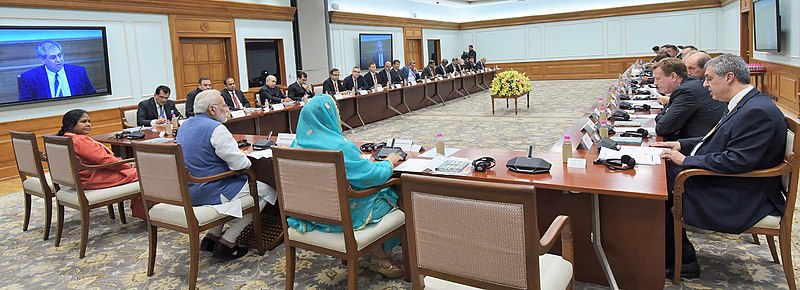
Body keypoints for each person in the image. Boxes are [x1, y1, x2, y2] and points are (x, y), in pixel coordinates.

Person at [653, 54, 787, 279]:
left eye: (709, 79)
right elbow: (714, 139)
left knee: (659, 183)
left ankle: (681, 260)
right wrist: (679, 144)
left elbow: (737, 160)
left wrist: (686, 161)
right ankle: (672, 252)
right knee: (662, 171)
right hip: (735, 182)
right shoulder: (744, 102)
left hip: (742, 195)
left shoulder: (756, 112)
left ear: (729, 78)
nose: (704, 85)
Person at [288, 94, 405, 278]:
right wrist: (389, 162)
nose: (339, 117)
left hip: (309, 215)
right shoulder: (339, 147)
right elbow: (372, 176)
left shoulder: (293, 146)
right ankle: (381, 257)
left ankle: (374, 252)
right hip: (342, 216)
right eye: (336, 112)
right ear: (328, 117)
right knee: (391, 194)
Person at [177, 90, 277, 259]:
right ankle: (228, 240)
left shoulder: (184, 125)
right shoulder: (216, 129)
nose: (227, 108)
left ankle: (212, 236)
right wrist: (242, 156)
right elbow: (241, 164)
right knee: (268, 190)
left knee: (240, 184)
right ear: (212, 110)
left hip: (190, 190)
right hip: (212, 189)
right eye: (223, 105)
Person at [56, 109, 145, 219]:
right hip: (91, 177)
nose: (88, 124)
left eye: (89, 121)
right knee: (144, 174)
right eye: (83, 122)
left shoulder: (65, 138)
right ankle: (146, 213)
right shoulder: (79, 140)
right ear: (70, 124)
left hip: (83, 177)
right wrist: (128, 165)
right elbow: (105, 160)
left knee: (138, 170)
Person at [652, 58, 725, 141]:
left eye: (658, 79)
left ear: (673, 76)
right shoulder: (689, 85)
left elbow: (662, 128)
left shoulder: (686, 92)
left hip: (700, 144)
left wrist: (659, 117)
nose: (655, 83)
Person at [19, 41, 96, 101]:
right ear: (42, 60)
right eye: (53, 58)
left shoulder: (79, 72)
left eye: (59, 55)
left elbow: (92, 97)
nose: (58, 60)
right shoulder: (29, 78)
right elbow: (26, 104)